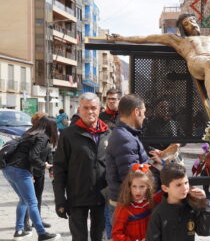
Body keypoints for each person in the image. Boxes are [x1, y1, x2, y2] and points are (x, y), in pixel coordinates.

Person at [106, 13, 210, 119]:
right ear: (183, 28)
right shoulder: (178, 40)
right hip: (197, 61)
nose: (192, 24)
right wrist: (122, 37)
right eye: (187, 23)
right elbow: (147, 38)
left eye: (192, 21)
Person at [53, 92, 111, 241]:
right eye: (85, 108)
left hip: (102, 197)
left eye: (93, 108)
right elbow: (59, 169)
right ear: (79, 109)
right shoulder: (68, 135)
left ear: (99, 109)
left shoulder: (109, 134)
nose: (90, 111)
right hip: (77, 196)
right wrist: (60, 199)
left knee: (100, 237)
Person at [105, 94, 161, 240]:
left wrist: (154, 161)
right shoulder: (125, 138)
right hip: (126, 205)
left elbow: (135, 168)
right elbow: (133, 178)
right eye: (143, 113)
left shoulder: (127, 135)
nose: (144, 117)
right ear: (136, 112)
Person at [2, 116, 60, 241]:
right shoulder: (42, 137)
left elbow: (24, 153)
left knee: (23, 200)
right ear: (51, 128)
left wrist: (30, 172)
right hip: (19, 170)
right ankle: (42, 233)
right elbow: (33, 157)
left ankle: (19, 231)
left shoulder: (30, 133)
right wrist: (44, 165)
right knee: (32, 203)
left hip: (8, 169)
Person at [146, 163, 210, 241]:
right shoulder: (158, 214)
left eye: (186, 183)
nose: (184, 188)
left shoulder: (191, 206)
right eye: (178, 185)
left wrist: (203, 203)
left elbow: (205, 232)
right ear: (165, 188)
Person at [112, 163, 163, 241]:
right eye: (134, 186)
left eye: (142, 186)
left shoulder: (151, 200)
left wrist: (162, 163)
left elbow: (169, 187)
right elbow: (116, 234)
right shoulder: (124, 207)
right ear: (129, 186)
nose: (137, 191)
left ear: (148, 187)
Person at [23, 113, 53, 230]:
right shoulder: (29, 134)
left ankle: (37, 220)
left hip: (40, 170)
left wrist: (51, 167)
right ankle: (25, 222)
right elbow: (28, 156)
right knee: (26, 198)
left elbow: (48, 151)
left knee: (38, 196)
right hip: (29, 170)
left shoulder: (44, 134)